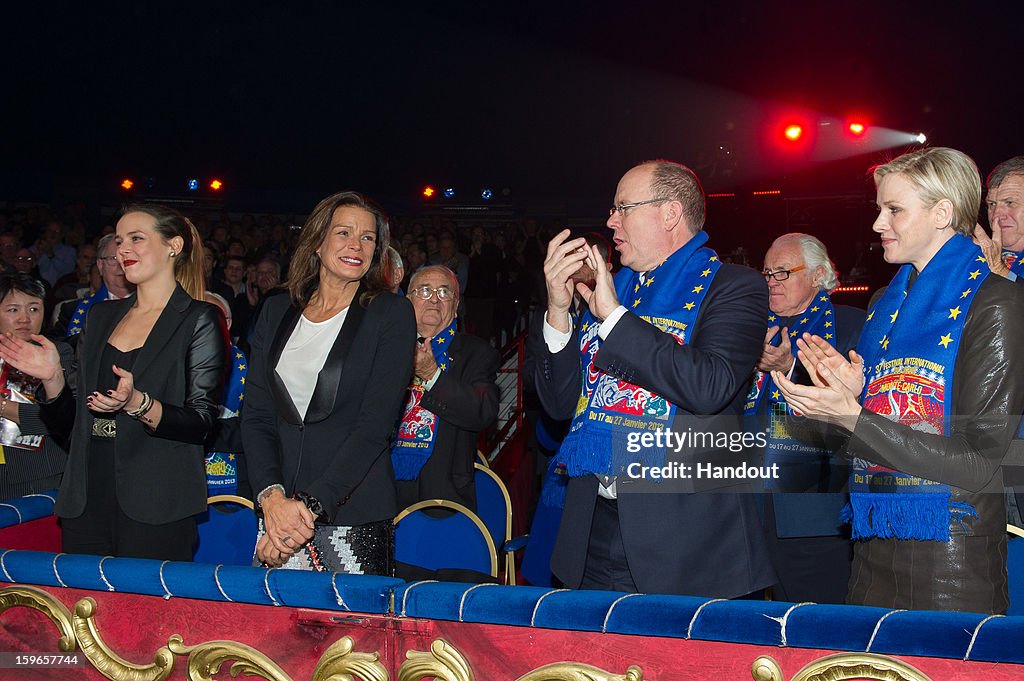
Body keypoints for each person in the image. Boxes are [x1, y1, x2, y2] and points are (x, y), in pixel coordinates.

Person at [774, 147, 1024, 613]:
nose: (877, 224)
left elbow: (977, 464)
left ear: (942, 213)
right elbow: (862, 439)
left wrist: (855, 416)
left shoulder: (997, 304)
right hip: (872, 541)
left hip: (953, 555)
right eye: (879, 209)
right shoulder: (883, 306)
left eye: (894, 210)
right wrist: (845, 400)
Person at [531, 159, 774, 597]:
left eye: (623, 207)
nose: (610, 220)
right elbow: (558, 406)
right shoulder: (616, 288)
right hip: (591, 532)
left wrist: (613, 318)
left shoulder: (734, 287)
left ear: (669, 213)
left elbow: (710, 386)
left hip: (688, 545)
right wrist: (557, 311)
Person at [0, 203, 227, 561]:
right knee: (83, 608)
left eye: (137, 238)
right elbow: (72, 428)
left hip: (157, 500)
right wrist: (53, 378)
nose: (123, 250)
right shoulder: (100, 316)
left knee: (144, 614)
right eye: (120, 240)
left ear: (174, 245)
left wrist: (138, 403)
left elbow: (202, 422)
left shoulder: (199, 319)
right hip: (87, 494)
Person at [242, 191, 415, 574]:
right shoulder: (276, 310)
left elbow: (374, 428)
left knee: (352, 635)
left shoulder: (391, 314)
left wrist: (306, 511)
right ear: (317, 242)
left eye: (368, 237)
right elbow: (256, 414)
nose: (356, 245)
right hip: (277, 516)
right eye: (343, 232)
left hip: (350, 517)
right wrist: (271, 498)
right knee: (275, 633)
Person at [746, 233, 865, 604]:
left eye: (783, 272)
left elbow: (854, 407)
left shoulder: (853, 324)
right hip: (741, 503)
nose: (771, 282)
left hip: (813, 510)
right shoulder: (745, 325)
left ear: (817, 275)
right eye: (767, 273)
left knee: (819, 623)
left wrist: (791, 367)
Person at [392, 265, 499, 511]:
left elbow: (483, 412)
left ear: (456, 304)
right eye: (425, 290)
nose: (434, 299)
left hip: (443, 496)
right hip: (382, 491)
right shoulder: (387, 346)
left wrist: (431, 375)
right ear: (407, 300)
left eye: (444, 292)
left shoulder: (477, 353)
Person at [0, 274, 70, 501]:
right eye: (13, 310)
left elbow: (58, 418)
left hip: (39, 471)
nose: (24, 319)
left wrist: (2, 405)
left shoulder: (59, 355)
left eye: (33, 309)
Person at [53, 233, 136, 340]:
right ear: (100, 266)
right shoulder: (72, 310)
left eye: (126, 257)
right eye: (114, 258)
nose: (120, 264)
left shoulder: (155, 307)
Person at [975, 156, 1024, 283]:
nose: (996, 215)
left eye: (1010, 203)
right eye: (992, 204)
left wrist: (1000, 270)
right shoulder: (976, 254)